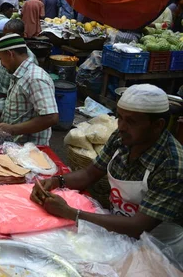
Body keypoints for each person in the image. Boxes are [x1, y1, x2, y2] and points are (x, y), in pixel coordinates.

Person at [31, 84, 183, 261]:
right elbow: (89, 174)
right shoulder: (121, 138)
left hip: (159, 250)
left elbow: (138, 226)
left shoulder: (172, 165)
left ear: (157, 125)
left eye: (131, 121)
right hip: (118, 232)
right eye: (120, 118)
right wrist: (56, 181)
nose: (122, 126)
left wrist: (71, 213)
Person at [0, 33, 58, 145]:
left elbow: (51, 117)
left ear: (10, 54)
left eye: (1, 58)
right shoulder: (18, 74)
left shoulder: (35, 78)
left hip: (30, 149)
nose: (1, 64)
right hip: (16, 145)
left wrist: (12, 129)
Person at [0, 19, 38, 112]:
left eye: (10, 35)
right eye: (4, 35)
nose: (6, 38)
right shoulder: (7, 53)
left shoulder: (29, 62)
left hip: (6, 102)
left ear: (22, 35)